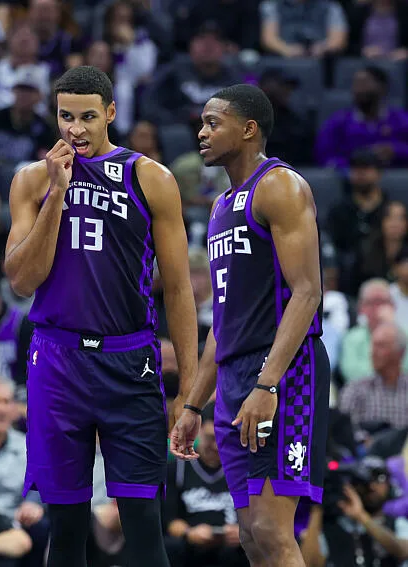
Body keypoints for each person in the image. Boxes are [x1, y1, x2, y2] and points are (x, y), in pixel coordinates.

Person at [4, 65, 199, 567]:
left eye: (88, 117)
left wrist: (189, 390)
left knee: (143, 525)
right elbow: (22, 280)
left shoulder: (151, 177)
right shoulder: (32, 180)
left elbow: (179, 289)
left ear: (110, 113)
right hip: (57, 359)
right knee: (66, 527)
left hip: (129, 361)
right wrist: (58, 193)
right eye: (66, 116)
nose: (76, 129)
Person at [170, 84, 330, 567]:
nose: (202, 133)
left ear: (248, 129)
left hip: (285, 370)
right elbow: (223, 321)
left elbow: (307, 292)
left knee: (271, 530)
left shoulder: (279, 186)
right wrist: (193, 403)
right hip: (236, 374)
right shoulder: (221, 206)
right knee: (250, 536)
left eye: (213, 123)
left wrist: (268, 384)